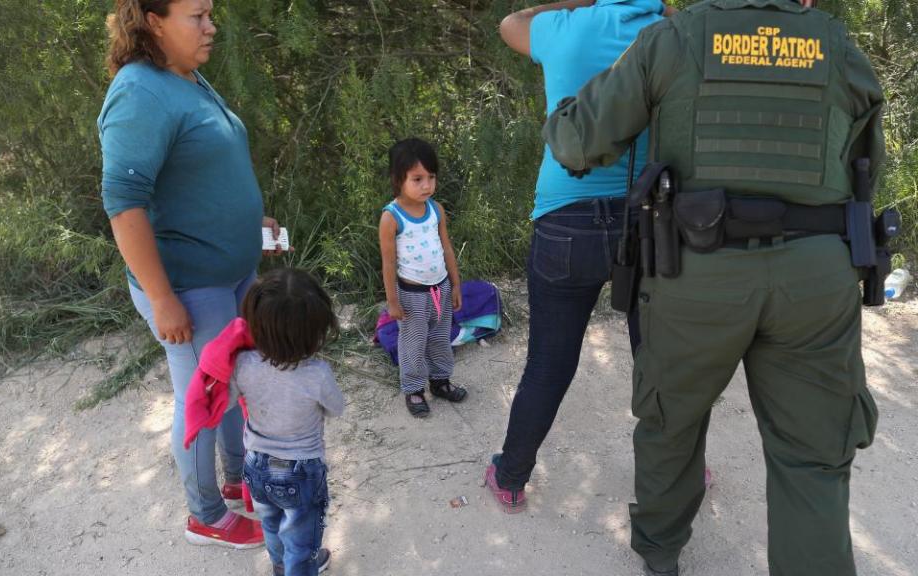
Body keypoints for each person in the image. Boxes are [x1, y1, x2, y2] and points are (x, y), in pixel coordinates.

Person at [542, 0, 884, 574]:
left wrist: (563, 104)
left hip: (695, 273)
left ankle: (659, 553)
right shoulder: (837, 47)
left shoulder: (672, 39)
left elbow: (577, 143)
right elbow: (865, 163)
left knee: (671, 422)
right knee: (813, 458)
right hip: (815, 280)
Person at [98, 0, 285, 547]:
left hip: (231, 271)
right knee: (203, 398)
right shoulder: (140, 92)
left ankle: (234, 482)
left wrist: (252, 221)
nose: (211, 25)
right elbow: (123, 204)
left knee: (231, 385)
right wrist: (162, 299)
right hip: (187, 285)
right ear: (153, 21)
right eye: (196, 16)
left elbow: (199, 172)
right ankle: (205, 515)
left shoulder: (186, 76)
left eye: (210, 14)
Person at [485, 0, 666, 513]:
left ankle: (512, 475)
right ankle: (679, 471)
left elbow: (508, 24)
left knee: (550, 362)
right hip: (647, 217)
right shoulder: (669, 32)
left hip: (566, 215)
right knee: (660, 359)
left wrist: (576, 4)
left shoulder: (561, 28)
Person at [230, 269, 343, 576]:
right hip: (301, 470)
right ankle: (298, 568)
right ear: (314, 332)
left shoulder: (242, 363)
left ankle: (280, 566)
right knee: (301, 540)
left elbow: (226, 400)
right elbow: (337, 408)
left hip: (256, 463)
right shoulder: (317, 373)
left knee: (271, 521)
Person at [378, 138, 468, 418]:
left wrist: (455, 285)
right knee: (413, 343)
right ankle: (414, 389)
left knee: (441, 338)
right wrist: (393, 301)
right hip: (411, 295)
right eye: (417, 179)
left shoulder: (436, 210)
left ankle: (440, 381)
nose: (426, 185)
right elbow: (389, 263)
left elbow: (447, 247)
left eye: (431, 177)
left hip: (440, 288)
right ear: (398, 180)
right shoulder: (391, 218)